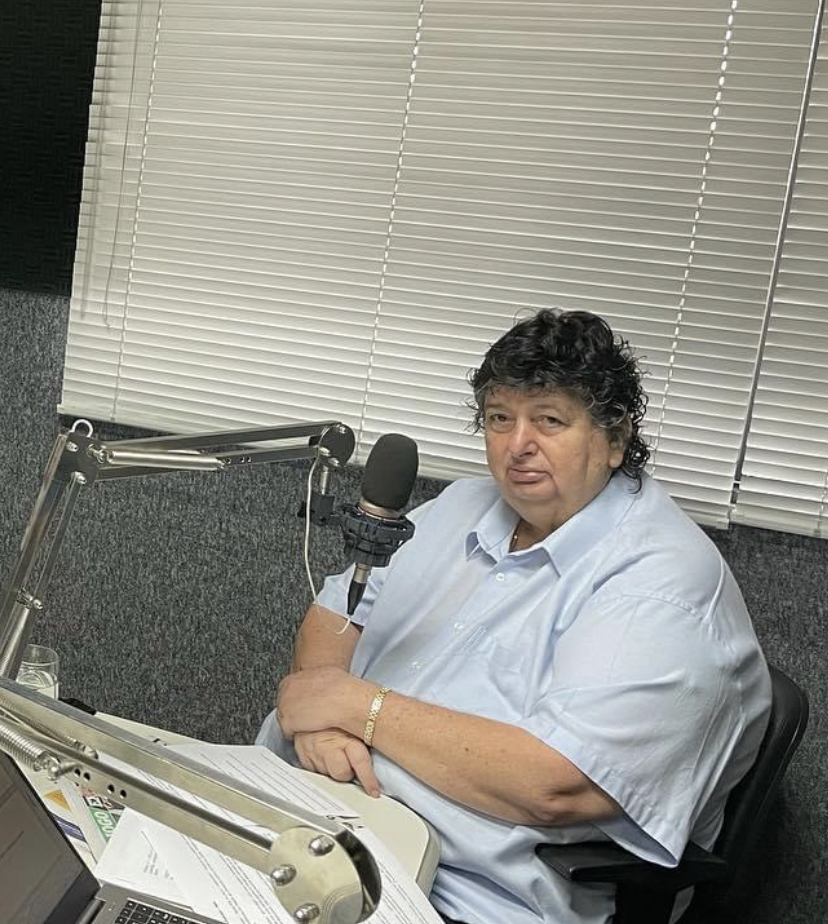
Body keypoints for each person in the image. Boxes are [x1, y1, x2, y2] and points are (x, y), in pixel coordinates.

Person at [257, 308, 771, 924]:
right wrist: (322, 730)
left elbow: (555, 783)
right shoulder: (462, 504)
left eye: (550, 420)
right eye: (500, 418)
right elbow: (338, 612)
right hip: (311, 814)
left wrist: (354, 707)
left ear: (614, 439)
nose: (517, 445)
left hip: (461, 890)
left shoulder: (663, 582)